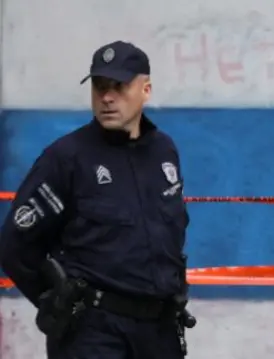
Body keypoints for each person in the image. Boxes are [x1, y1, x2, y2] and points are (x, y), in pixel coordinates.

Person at [0, 40, 194, 359]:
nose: (106, 97)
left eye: (118, 87)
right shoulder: (67, 159)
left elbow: (171, 231)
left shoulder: (164, 152)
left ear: (146, 90)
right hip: (94, 334)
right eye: (99, 87)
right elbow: (15, 245)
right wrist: (58, 303)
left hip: (159, 332)